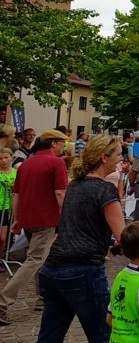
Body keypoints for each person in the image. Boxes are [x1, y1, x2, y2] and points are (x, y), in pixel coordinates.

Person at [36, 135, 125, 342]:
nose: (121, 159)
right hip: (82, 270)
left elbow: (79, 226)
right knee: (103, 335)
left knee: (49, 336)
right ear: (104, 157)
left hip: (53, 268)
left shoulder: (75, 185)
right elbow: (123, 235)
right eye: (118, 154)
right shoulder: (105, 189)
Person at [0, 129, 68, 326]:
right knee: (35, 260)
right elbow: (60, 193)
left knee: (41, 259)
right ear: (53, 144)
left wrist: (18, 218)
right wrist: (67, 217)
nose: (63, 146)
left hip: (28, 219)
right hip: (46, 219)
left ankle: (43, 298)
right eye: (61, 143)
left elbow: (16, 195)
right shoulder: (56, 162)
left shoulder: (26, 163)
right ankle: (3, 302)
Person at [0, 147, 16, 255]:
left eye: (6, 157)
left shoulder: (16, 172)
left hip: (7, 208)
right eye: (0, 158)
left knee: (2, 238)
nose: (3, 160)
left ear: (12, 158)